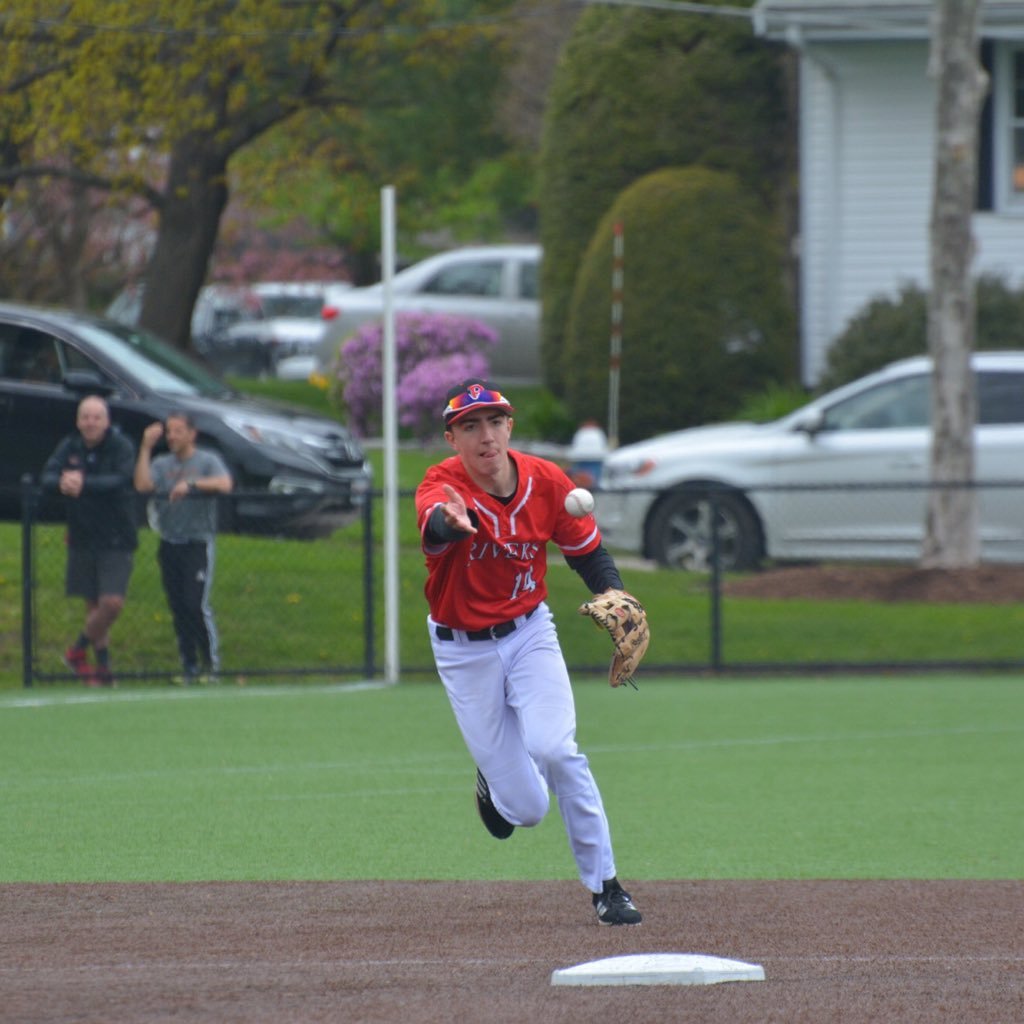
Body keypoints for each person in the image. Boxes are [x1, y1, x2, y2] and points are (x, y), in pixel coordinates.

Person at [415, 378, 644, 926]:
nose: (485, 435)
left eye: (494, 421)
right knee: (527, 809)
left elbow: (586, 551)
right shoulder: (440, 485)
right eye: (470, 426)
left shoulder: (545, 481)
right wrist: (450, 522)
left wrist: (610, 591)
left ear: (510, 427)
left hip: (528, 634)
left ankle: (607, 886)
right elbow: (432, 527)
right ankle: (492, 782)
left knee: (558, 751)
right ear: (453, 438)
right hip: (462, 650)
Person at [41, 394, 138, 687]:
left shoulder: (120, 447)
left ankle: (76, 650)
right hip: (82, 536)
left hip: (116, 537)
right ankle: (102, 669)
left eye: (96, 417)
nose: (90, 422)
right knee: (93, 606)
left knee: (111, 603)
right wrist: (62, 483)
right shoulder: (70, 446)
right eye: (85, 417)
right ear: (78, 421)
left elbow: (120, 479)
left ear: (106, 421)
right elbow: (47, 476)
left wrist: (82, 484)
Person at [134, 412, 233, 685]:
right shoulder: (161, 463)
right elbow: (142, 485)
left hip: (196, 543)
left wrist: (192, 485)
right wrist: (145, 447)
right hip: (169, 543)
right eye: (169, 431)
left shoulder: (206, 461)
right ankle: (188, 665)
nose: (172, 436)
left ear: (192, 434)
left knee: (195, 603)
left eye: (178, 431)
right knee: (178, 607)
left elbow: (225, 484)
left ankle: (209, 664)